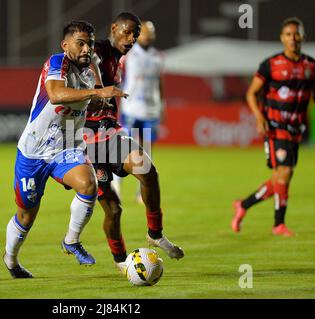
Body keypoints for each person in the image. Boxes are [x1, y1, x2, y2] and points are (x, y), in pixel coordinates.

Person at [3, 20, 128, 278]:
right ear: (66, 45)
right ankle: (12, 260)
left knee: (88, 185)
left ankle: (71, 240)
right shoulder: (57, 63)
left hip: (66, 147)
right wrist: (97, 94)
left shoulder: (90, 73)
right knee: (26, 216)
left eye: (90, 44)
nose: (86, 49)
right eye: (80, 43)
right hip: (34, 151)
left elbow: (89, 105)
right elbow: (56, 95)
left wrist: (103, 113)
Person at [84, 12, 184, 274]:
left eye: (135, 34)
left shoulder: (121, 58)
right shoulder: (100, 49)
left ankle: (155, 233)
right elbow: (90, 57)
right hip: (84, 140)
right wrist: (96, 83)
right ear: (114, 27)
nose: (131, 38)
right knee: (114, 210)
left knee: (149, 171)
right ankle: (120, 259)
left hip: (110, 132)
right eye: (127, 32)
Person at [232, 17, 315, 236]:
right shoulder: (270, 65)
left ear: (303, 36)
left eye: (296, 34)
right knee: (285, 172)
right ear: (282, 38)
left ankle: (243, 205)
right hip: (274, 126)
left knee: (281, 178)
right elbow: (251, 93)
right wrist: (258, 116)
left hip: (296, 129)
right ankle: (278, 224)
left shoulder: (312, 66)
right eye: (288, 34)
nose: (293, 38)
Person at [113, 20, 166, 202]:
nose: (149, 35)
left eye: (151, 32)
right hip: (131, 109)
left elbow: (160, 82)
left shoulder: (158, 57)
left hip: (150, 110)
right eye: (145, 32)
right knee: (124, 148)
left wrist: (162, 105)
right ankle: (116, 186)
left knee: (147, 150)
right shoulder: (127, 54)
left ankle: (141, 191)